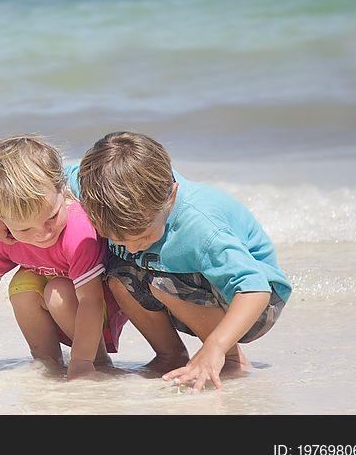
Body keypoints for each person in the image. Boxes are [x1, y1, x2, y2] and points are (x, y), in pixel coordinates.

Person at [70, 131, 292, 391]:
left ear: (172, 196)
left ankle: (231, 359)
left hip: (254, 304)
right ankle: (170, 355)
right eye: (116, 239)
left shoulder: (201, 228)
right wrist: (10, 220)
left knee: (160, 283)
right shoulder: (91, 188)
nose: (131, 247)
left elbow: (255, 289)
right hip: (180, 279)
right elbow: (44, 178)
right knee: (119, 275)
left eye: (143, 236)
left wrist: (216, 346)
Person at [0, 135, 127, 380]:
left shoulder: (78, 230)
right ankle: (47, 363)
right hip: (62, 296)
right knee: (21, 287)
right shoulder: (0, 234)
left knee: (57, 292)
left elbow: (91, 300)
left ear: (62, 188)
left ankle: (97, 361)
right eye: (25, 229)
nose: (43, 234)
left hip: (95, 303)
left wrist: (81, 362)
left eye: (52, 217)